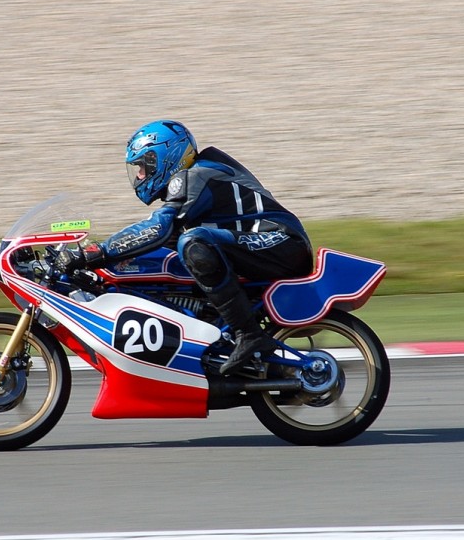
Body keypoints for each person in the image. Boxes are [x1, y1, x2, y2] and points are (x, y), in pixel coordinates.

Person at [56, 120, 313, 375]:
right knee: (173, 251)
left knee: (193, 243)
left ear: (168, 156)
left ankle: (248, 333)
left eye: (145, 166)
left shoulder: (194, 176)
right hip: (262, 248)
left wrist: (98, 252)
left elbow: (156, 228)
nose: (140, 176)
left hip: (281, 242)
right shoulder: (195, 177)